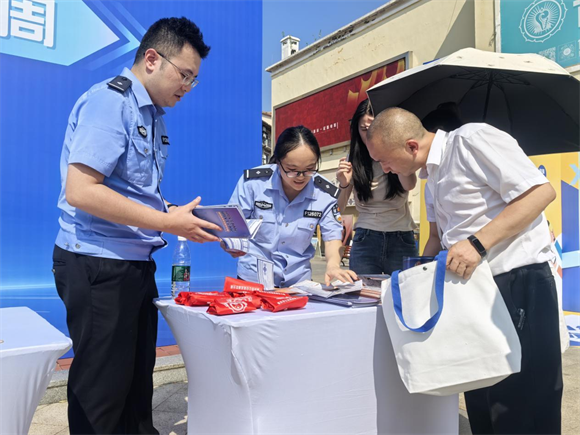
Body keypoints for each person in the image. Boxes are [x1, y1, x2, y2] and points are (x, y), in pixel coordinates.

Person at [52, 18, 221, 435]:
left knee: (134, 387)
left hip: (133, 264)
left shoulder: (154, 116)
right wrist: (168, 221)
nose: (187, 87)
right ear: (151, 59)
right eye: (184, 75)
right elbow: (81, 191)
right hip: (97, 263)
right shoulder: (111, 103)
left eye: (194, 80)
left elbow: (136, 194)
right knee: (102, 393)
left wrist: (190, 220)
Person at [366, 107, 562, 435]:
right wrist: (409, 278)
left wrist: (478, 243)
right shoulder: (431, 178)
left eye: (385, 161)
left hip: (517, 283)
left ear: (411, 146)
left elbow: (540, 193)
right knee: (483, 399)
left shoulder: (472, 140)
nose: (385, 169)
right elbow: (440, 239)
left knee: (523, 405)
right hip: (472, 295)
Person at [225, 125, 358, 287]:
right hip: (253, 279)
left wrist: (333, 265)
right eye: (292, 170)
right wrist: (230, 242)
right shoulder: (253, 183)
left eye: (309, 169)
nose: (301, 177)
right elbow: (232, 224)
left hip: (298, 283)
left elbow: (332, 237)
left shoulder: (324, 192)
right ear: (278, 162)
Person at [335, 99, 417, 275]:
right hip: (366, 238)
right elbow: (339, 208)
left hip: (401, 237)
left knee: (402, 296)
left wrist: (395, 154)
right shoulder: (353, 159)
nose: (369, 134)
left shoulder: (400, 153)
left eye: (373, 128)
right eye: (364, 129)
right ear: (357, 130)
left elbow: (409, 184)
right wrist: (344, 183)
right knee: (363, 296)